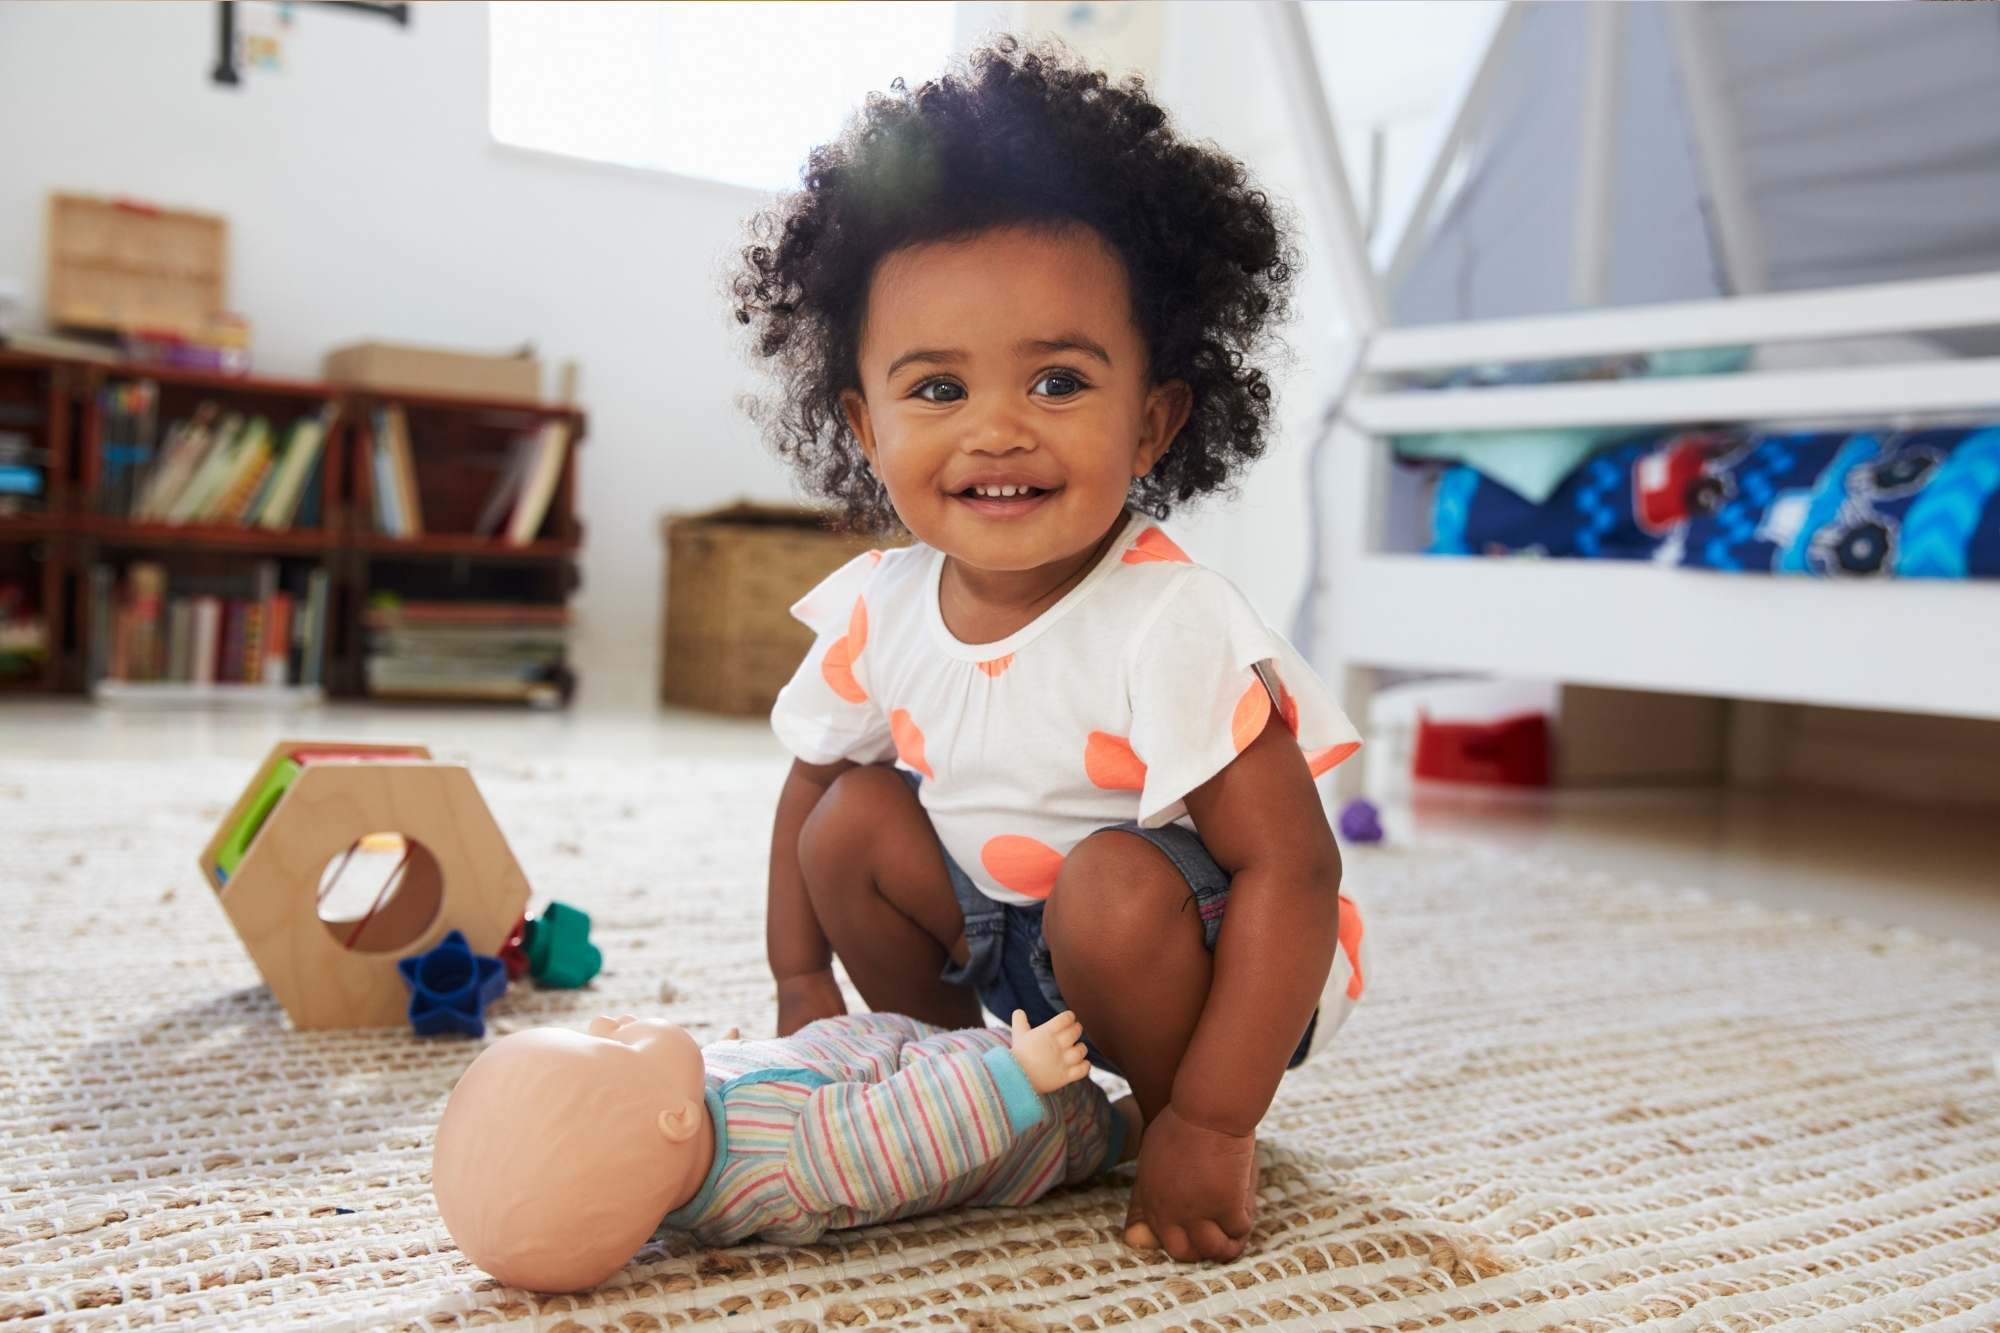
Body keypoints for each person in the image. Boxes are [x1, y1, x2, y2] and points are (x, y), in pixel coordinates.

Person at [729, 34, 1368, 1264]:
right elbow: (810, 788)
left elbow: (1294, 876)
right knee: (850, 820)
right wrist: (801, 991)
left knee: (1111, 883)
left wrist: (1216, 1122)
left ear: (1154, 420)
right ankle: (985, 1084)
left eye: (1060, 381)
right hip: (1014, 943)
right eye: (935, 391)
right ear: (861, 425)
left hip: (1201, 962)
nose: (998, 431)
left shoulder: (1167, 618)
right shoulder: (881, 605)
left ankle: (1154, 1111)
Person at [431, 1009, 1136, 1293]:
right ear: (674, 1118)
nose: (612, 1018)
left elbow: (709, 1077)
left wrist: (737, 1059)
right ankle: (1137, 1126)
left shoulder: (669, 1149)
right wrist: (1020, 1074)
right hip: (1027, 1115)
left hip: (901, 1044)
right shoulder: (799, 1157)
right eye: (614, 1041)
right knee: (1128, 1121)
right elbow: (914, 1130)